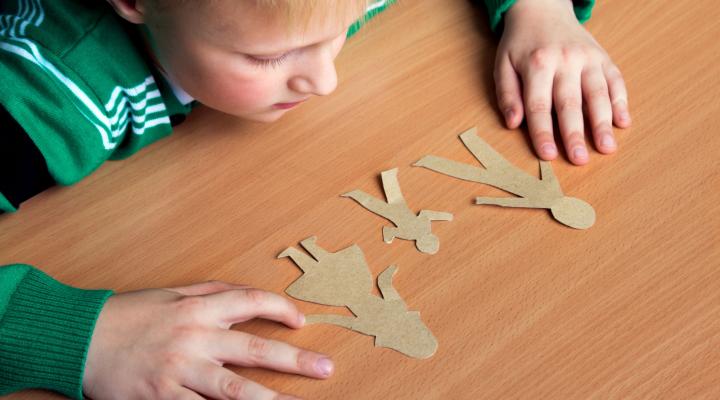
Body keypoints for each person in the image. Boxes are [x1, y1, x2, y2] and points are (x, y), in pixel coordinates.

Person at [0, 0, 631, 398]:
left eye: (345, 22)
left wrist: (539, 9)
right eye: (270, 55)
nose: (325, 80)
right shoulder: (44, 99)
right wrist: (74, 335)